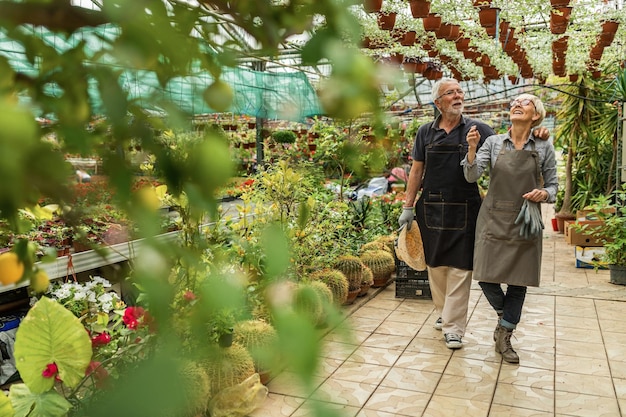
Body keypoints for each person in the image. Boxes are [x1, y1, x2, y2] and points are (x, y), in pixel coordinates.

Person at [398, 78, 548, 350]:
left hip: (466, 208)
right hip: (430, 206)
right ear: (438, 102)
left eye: (459, 92)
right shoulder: (425, 132)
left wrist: (537, 134)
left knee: (461, 267)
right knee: (436, 265)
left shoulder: (479, 129)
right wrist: (408, 206)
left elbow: (510, 143)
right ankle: (445, 313)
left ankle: (454, 328)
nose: (458, 96)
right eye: (450, 93)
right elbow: (417, 170)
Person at [461, 93, 558, 364]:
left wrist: (543, 194)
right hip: (492, 218)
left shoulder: (543, 146)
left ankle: (504, 334)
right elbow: (471, 175)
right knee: (484, 275)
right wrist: (471, 150)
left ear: (536, 115)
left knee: (519, 281)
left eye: (525, 102)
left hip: (525, 221)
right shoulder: (492, 143)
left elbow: (553, 188)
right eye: (515, 101)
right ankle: (507, 318)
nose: (517, 103)